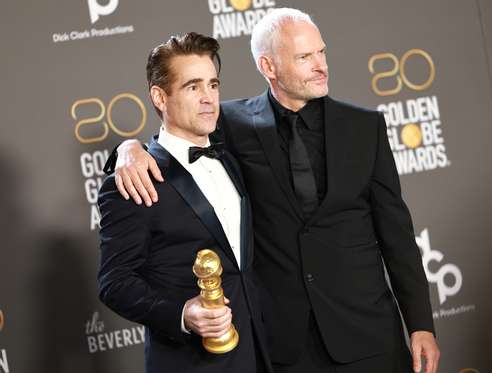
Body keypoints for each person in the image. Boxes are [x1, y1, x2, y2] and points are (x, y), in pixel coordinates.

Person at [106, 8, 440, 373]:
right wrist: (127, 149)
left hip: (368, 333)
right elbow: (176, 139)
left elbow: (397, 236)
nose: (320, 65)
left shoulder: (366, 127)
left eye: (321, 52)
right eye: (304, 57)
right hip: (282, 345)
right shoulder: (229, 124)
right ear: (269, 66)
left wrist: (421, 323)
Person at [97, 32, 272, 373]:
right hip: (191, 362)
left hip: (260, 352)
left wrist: (125, 144)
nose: (208, 98)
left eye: (213, 85)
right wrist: (181, 314)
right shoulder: (137, 180)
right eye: (193, 87)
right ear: (160, 97)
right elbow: (114, 282)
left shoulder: (232, 151)